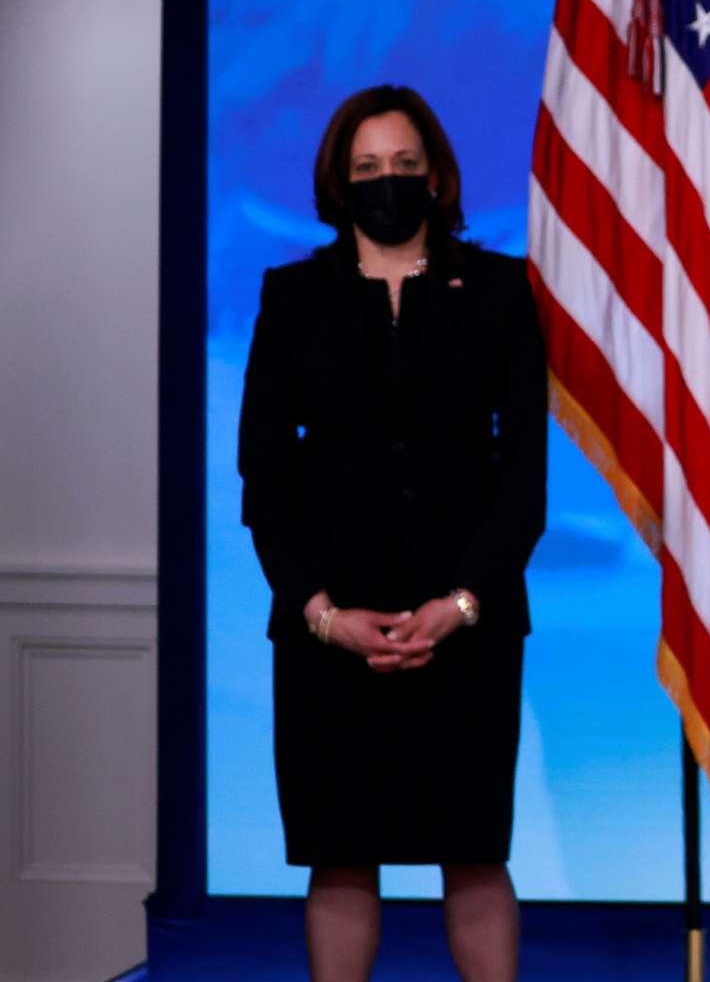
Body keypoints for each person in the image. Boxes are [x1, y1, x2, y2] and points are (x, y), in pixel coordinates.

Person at [237, 85, 548, 981]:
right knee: (341, 856)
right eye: (368, 168)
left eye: (404, 166)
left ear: (438, 177)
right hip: (329, 627)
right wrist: (322, 613)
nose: (387, 182)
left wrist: (461, 604)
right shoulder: (292, 296)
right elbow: (266, 473)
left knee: (475, 853)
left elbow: (523, 476)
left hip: (468, 622)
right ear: (338, 182)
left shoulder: (497, 288)